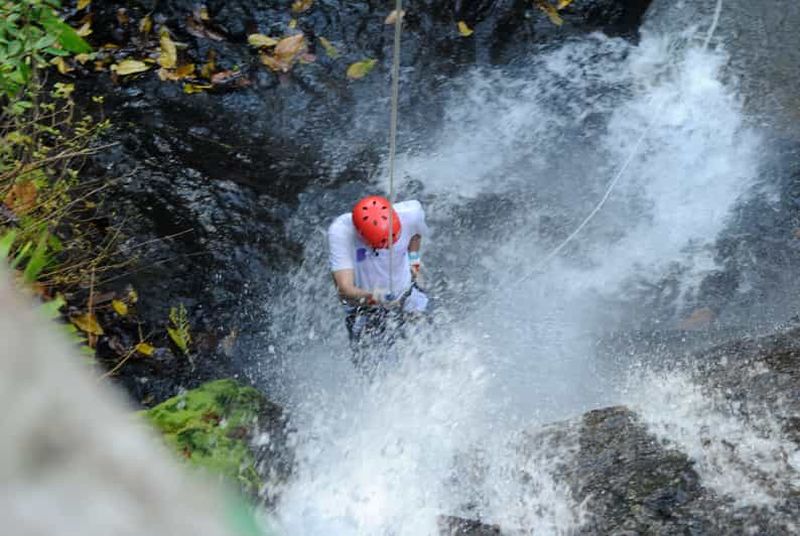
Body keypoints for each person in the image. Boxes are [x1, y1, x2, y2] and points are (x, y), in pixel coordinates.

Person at [327, 195, 429, 365]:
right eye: (383, 246)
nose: (389, 247)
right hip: (365, 306)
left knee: (429, 342)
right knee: (370, 364)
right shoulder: (341, 232)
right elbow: (344, 289)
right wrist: (375, 298)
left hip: (406, 291)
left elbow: (416, 236)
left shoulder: (411, 213)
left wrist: (414, 263)